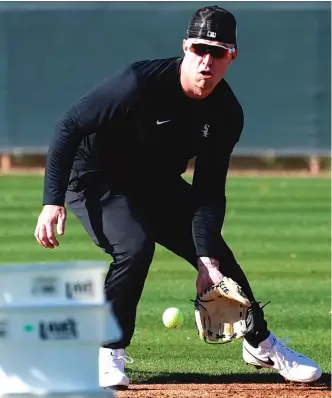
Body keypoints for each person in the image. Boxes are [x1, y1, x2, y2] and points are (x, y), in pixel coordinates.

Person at [34, 5, 321, 390]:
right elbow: (69, 125)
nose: (207, 60)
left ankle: (261, 344)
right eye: (200, 49)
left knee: (219, 256)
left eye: (218, 52)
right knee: (134, 247)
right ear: (186, 47)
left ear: (231, 57)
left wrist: (205, 258)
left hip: (154, 182)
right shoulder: (139, 82)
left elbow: (208, 191)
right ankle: (108, 352)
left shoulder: (226, 113)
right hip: (95, 178)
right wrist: (52, 200)